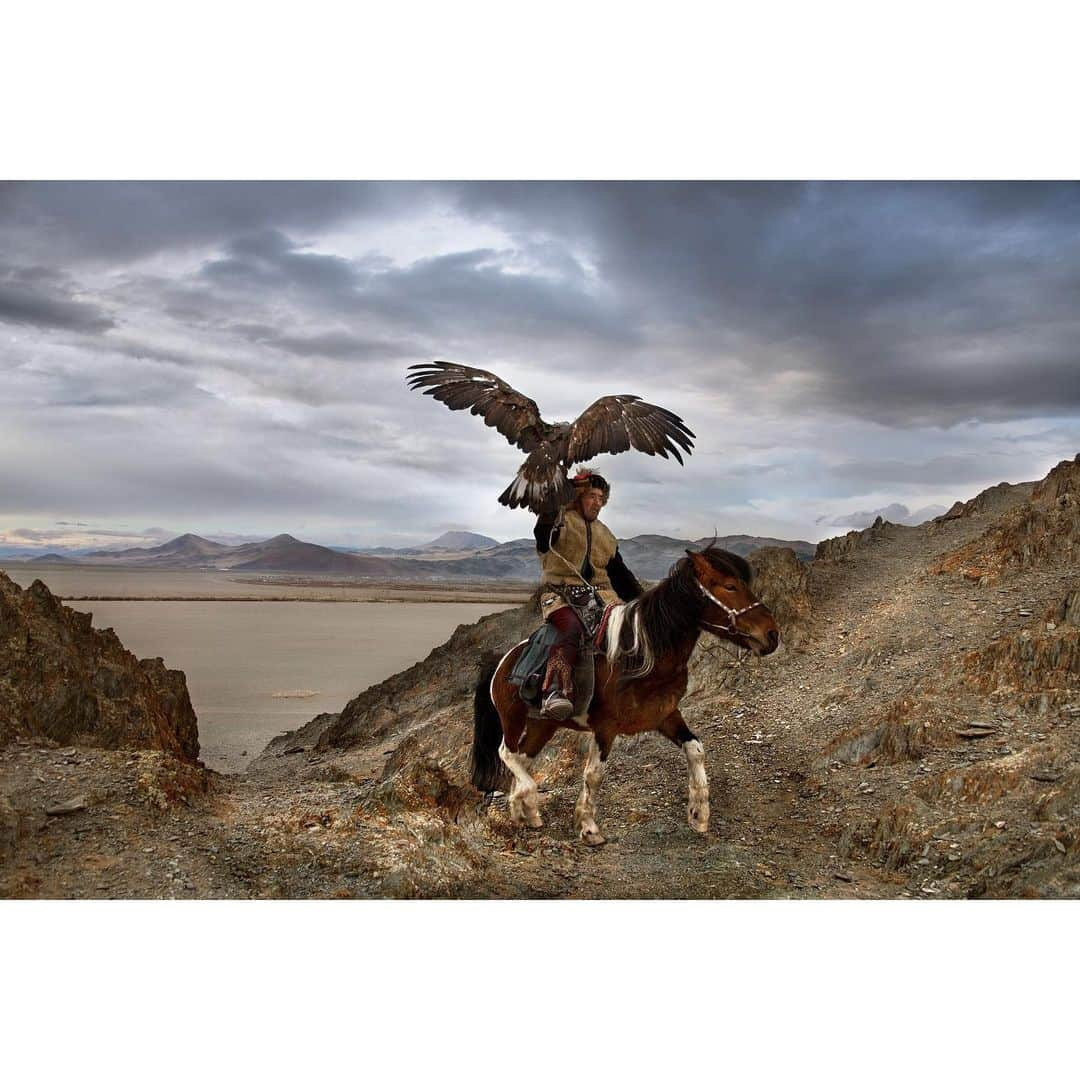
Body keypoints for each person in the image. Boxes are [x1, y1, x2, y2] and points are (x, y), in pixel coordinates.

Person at [532, 470, 643, 721]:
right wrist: (560, 493)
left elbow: (621, 576)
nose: (597, 502)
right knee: (571, 629)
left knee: (631, 627)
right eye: (592, 495)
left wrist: (644, 602)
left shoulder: (606, 535)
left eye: (601, 498)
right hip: (559, 595)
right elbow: (542, 532)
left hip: (603, 598)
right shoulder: (559, 521)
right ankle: (554, 691)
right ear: (579, 496)